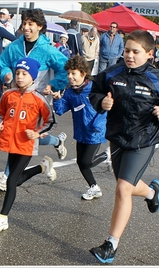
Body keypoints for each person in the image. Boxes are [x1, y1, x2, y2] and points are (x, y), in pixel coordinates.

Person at [88, 30, 159, 263]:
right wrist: (102, 101)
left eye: (135, 52)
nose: (129, 55)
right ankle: (151, 192)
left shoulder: (158, 78)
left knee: (122, 188)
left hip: (144, 139)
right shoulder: (113, 72)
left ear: (149, 54)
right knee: (126, 185)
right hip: (117, 137)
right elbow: (95, 91)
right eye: (126, 50)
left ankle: (111, 245)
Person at [0, 8, 69, 192]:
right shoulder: (15, 46)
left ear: (40, 26)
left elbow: (65, 69)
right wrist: (7, 74)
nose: (26, 28)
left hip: (38, 98)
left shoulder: (47, 49)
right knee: (19, 133)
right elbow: (2, 63)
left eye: (30, 24)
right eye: (24, 23)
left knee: (25, 135)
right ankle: (57, 142)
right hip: (16, 96)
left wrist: (53, 85)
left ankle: (7, 175)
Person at [0, 57, 57, 234]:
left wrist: (37, 133)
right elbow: (1, 114)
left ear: (32, 77)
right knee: (15, 180)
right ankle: (43, 167)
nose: (19, 77)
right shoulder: (8, 95)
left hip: (26, 145)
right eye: (17, 73)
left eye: (24, 74)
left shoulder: (38, 98)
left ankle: (2, 218)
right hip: (11, 143)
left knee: (11, 180)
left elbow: (50, 121)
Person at [52, 55, 110, 199]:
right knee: (81, 162)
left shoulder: (93, 89)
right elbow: (60, 110)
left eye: (74, 73)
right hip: (81, 131)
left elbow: (104, 110)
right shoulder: (70, 92)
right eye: (68, 73)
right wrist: (57, 99)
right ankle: (94, 187)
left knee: (87, 162)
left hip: (95, 131)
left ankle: (107, 155)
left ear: (83, 74)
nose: (70, 77)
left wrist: (97, 125)